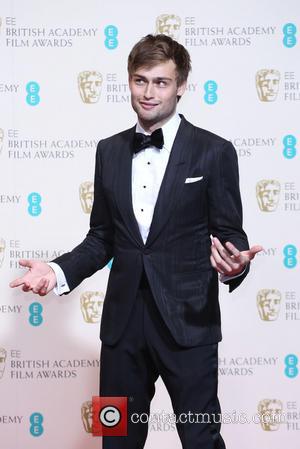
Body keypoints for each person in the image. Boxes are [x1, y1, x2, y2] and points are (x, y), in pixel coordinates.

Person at [10, 34, 262, 449]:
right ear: (128, 81)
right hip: (123, 328)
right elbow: (102, 237)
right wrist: (55, 271)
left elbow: (231, 233)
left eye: (161, 82)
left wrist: (236, 263)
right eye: (140, 80)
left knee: (200, 438)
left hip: (188, 324)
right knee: (117, 438)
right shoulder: (108, 151)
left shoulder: (214, 151)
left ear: (181, 85)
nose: (148, 93)